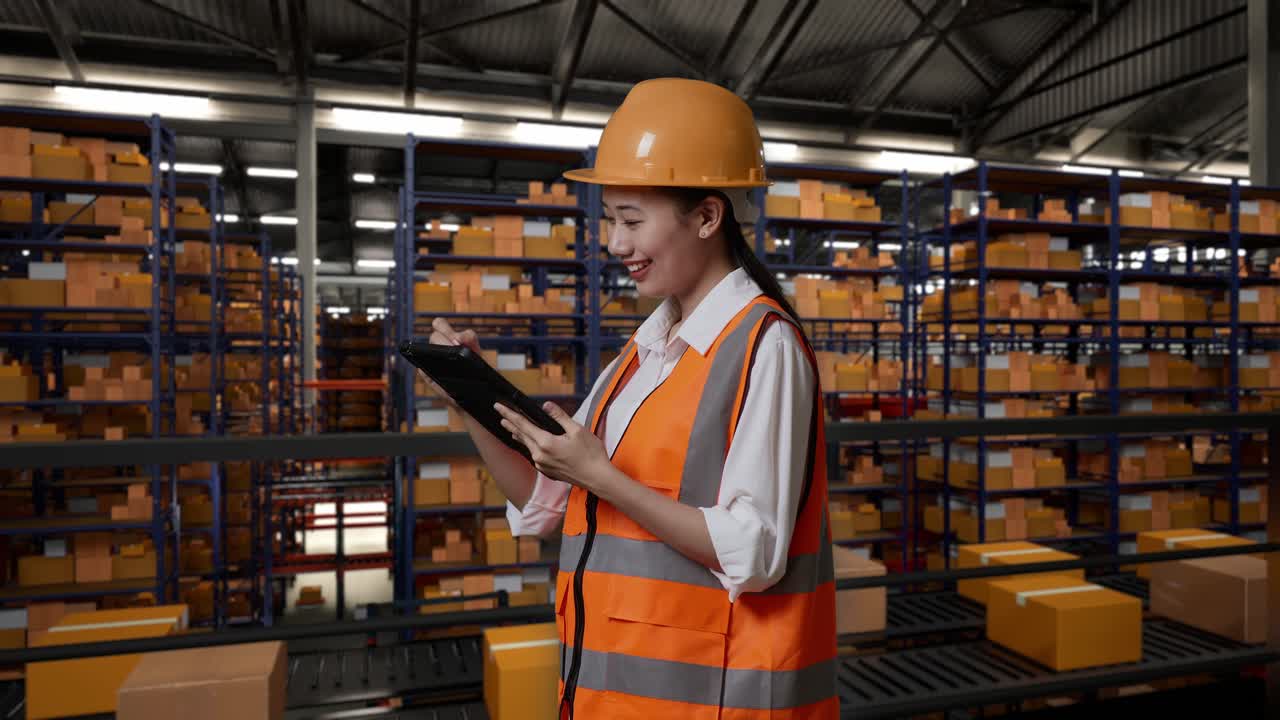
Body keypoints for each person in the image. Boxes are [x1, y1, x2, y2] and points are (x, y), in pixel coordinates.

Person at [424, 77, 837, 720]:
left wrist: (602, 476)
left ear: (706, 216)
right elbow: (544, 499)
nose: (616, 244)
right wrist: (466, 392)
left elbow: (753, 553)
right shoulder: (640, 355)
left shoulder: (765, 347)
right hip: (609, 695)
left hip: (713, 701)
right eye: (611, 220)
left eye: (632, 221)